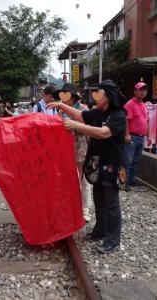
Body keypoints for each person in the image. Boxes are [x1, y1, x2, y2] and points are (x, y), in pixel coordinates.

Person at [47, 79, 127, 254]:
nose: (95, 97)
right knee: (99, 199)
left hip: (112, 166)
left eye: (99, 93)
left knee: (111, 204)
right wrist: (61, 105)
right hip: (97, 164)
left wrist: (77, 126)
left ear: (109, 96)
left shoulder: (118, 116)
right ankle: (100, 230)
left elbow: (104, 133)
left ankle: (113, 240)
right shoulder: (98, 112)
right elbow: (80, 115)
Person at [53, 83, 92, 222]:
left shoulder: (84, 109)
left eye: (66, 95)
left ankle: (85, 209)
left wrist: (73, 125)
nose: (63, 98)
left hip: (82, 149)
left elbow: (90, 129)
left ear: (73, 97)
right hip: (66, 151)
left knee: (83, 180)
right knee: (70, 180)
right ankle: (72, 207)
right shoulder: (60, 112)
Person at [123, 82, 151, 191]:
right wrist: (127, 134)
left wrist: (148, 136)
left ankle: (131, 180)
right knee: (128, 161)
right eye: (140, 89)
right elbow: (125, 120)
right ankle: (124, 182)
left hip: (141, 137)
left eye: (144, 90)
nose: (143, 92)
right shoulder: (130, 104)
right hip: (132, 136)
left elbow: (147, 121)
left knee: (136, 160)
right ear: (135, 91)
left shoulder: (144, 105)